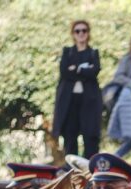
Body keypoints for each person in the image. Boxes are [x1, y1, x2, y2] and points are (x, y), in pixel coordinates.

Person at [53, 19, 102, 160]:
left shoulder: (93, 53)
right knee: (70, 135)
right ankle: (71, 170)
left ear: (88, 33)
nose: (81, 34)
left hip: (89, 101)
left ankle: (90, 169)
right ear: (73, 34)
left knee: (90, 136)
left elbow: (95, 71)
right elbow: (64, 72)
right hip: (70, 101)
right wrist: (85, 70)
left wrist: (77, 69)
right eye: (77, 31)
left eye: (84, 30)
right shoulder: (67, 52)